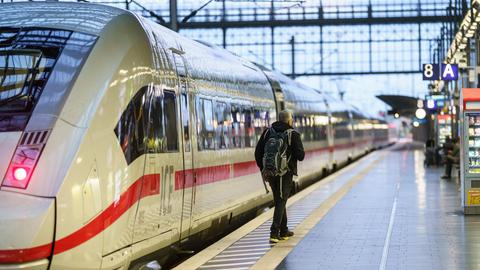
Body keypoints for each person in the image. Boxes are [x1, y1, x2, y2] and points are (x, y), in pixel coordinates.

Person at [255, 110, 305, 243]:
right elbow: (301, 156)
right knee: (281, 200)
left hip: (270, 173)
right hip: (285, 173)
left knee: (279, 199)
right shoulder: (292, 134)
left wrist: (264, 168)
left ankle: (284, 230)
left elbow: (257, 153)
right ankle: (274, 232)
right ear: (289, 120)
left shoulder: (267, 132)